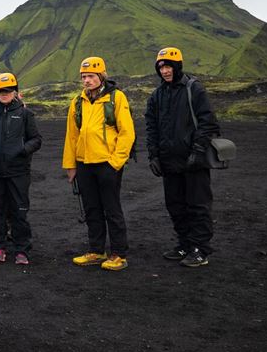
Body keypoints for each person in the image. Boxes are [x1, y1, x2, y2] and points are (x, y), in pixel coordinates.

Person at [145, 47, 221, 267]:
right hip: (169, 162)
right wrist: (154, 156)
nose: (165, 71)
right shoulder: (157, 96)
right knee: (175, 205)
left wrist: (197, 152)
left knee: (198, 206)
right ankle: (185, 244)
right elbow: (152, 127)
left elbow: (208, 122)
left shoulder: (193, 89)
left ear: (178, 66)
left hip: (193, 162)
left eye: (168, 66)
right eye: (161, 68)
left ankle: (200, 249)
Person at [63, 56, 135, 271]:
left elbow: (127, 133)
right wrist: (71, 166)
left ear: (102, 76)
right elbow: (71, 136)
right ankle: (96, 250)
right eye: (84, 77)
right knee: (92, 209)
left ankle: (118, 254)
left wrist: (115, 163)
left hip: (107, 164)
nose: (87, 80)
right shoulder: (77, 102)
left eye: (91, 76)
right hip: (84, 164)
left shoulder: (116, 98)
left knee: (112, 209)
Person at [0, 73, 42, 265]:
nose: (4, 94)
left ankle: (21, 250)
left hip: (18, 172)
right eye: (1, 91)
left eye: (8, 90)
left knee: (19, 211)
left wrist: (22, 149)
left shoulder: (25, 114)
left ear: (15, 91)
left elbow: (36, 140)